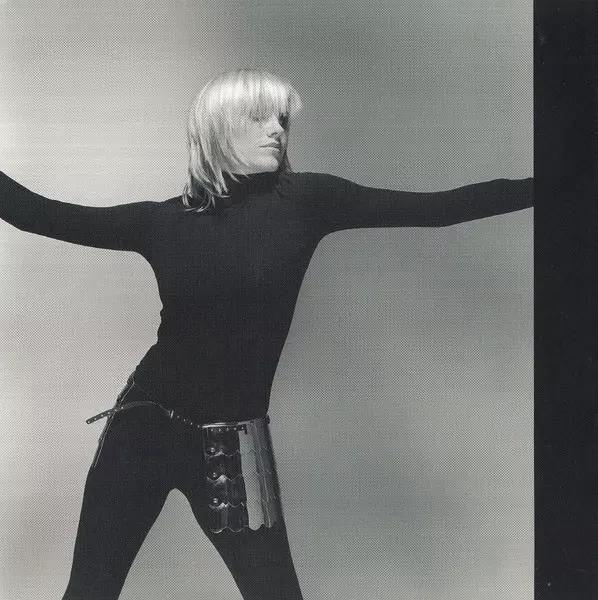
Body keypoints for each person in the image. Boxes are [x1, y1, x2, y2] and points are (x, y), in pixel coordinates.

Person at [0, 69, 533, 600]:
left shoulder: (309, 201)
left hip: (233, 446)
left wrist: (553, 184)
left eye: (281, 118)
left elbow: (439, 210)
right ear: (216, 128)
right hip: (142, 430)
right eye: (258, 118)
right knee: (89, 592)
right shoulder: (158, 223)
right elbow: (34, 214)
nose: (277, 129)